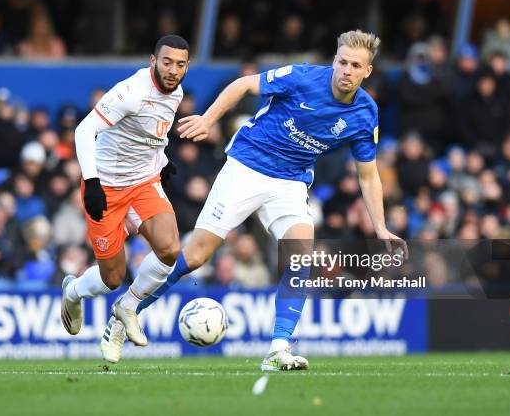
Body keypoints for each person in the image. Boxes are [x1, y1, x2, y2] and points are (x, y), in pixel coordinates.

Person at [106, 30, 408, 371]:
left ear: (367, 71)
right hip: (247, 165)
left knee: (300, 255)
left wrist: (381, 228)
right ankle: (125, 313)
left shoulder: (366, 113)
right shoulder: (304, 77)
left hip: (290, 181)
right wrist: (208, 119)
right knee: (195, 255)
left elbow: (367, 175)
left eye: (355, 65)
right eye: (341, 62)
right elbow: (245, 84)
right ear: (334, 60)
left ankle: (278, 349)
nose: (346, 70)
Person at [60, 35, 190, 364]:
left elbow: (151, 135)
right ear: (153, 61)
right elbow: (83, 131)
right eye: (167, 62)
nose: (173, 70)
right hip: (106, 186)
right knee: (111, 278)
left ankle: (128, 308)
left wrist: (162, 161)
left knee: (170, 249)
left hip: (144, 182)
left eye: (180, 64)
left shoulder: (176, 94)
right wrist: (91, 182)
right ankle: (73, 291)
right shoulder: (130, 92)